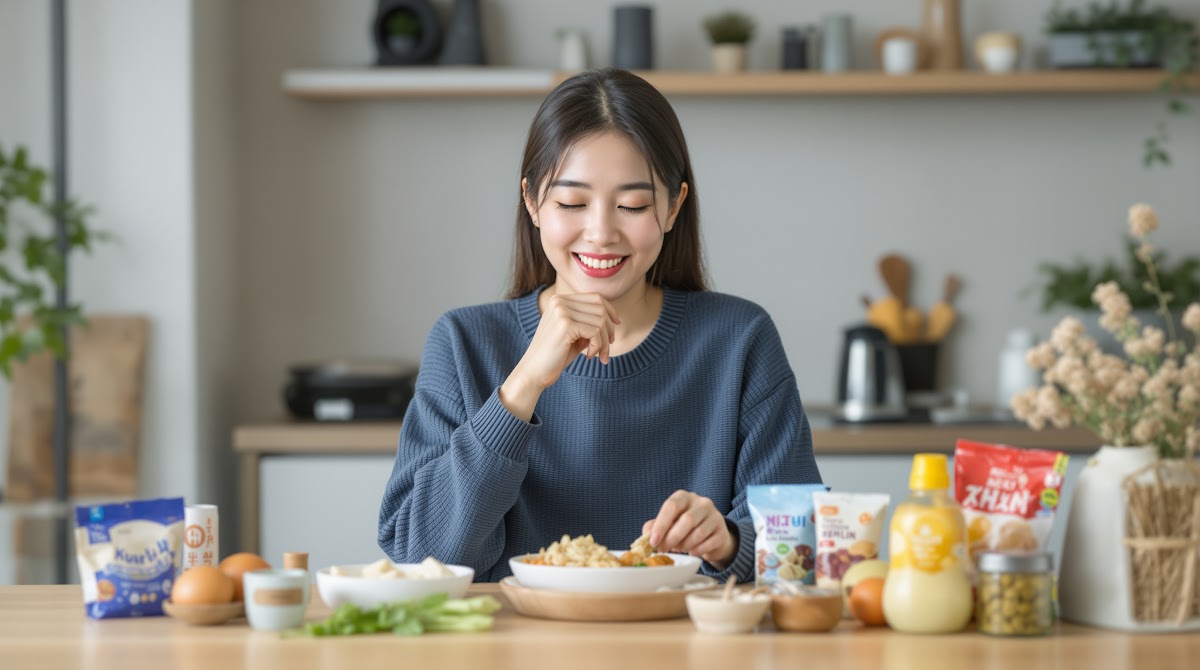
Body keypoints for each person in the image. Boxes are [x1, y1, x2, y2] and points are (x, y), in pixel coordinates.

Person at [378, 67, 822, 583]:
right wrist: (523, 385)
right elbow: (417, 558)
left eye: (632, 205)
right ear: (532, 202)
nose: (601, 232)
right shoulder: (463, 343)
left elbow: (803, 553)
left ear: (673, 207)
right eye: (572, 203)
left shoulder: (739, 339)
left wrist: (730, 542)